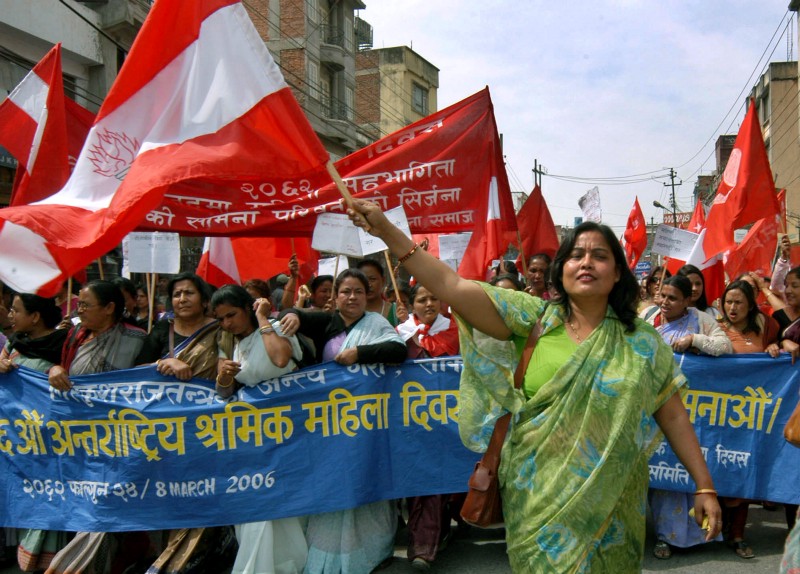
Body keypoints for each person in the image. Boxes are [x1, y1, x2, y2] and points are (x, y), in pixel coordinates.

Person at [347, 200, 721, 573]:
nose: (587, 262)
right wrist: (386, 231)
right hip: (536, 497)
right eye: (576, 255)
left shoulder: (642, 341)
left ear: (618, 273)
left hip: (613, 504)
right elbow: (451, 285)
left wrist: (704, 485)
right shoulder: (535, 320)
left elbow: (672, 416)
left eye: (600, 256)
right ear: (562, 270)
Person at [279, 269, 406, 573]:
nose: (352, 297)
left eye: (358, 292)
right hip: (327, 423)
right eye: (346, 291)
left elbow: (398, 350)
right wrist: (294, 314)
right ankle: (325, 551)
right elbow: (289, 313)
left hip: (364, 421)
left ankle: (369, 549)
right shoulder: (326, 322)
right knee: (332, 482)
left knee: (363, 478)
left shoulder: (376, 323)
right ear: (335, 297)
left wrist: (359, 353)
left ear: (367, 296)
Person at [45, 280, 149, 574]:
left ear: (109, 308)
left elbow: (148, 387)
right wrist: (55, 370)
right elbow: (55, 367)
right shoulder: (75, 335)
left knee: (105, 506)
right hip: (78, 440)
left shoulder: (138, 339)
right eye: (79, 305)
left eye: (85, 305)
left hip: (120, 440)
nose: (80, 310)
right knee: (84, 504)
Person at [211, 284, 306, 574]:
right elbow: (224, 392)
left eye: (232, 315)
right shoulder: (228, 343)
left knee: (284, 502)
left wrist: (264, 319)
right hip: (255, 437)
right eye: (221, 318)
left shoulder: (277, 327)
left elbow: (280, 359)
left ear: (248, 308)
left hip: (292, 429)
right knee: (256, 501)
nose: (228, 323)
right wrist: (224, 378)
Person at [640, 274, 731, 560]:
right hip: (653, 406)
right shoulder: (649, 316)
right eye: (662, 296)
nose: (665, 303)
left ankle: (690, 534)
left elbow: (725, 346)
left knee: (683, 468)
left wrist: (694, 339)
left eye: (673, 299)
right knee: (659, 468)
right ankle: (664, 534)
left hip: (691, 409)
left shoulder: (701, 320)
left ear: (687, 300)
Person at [0, 294, 68, 572]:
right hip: (17, 445)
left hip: (51, 447)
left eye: (16, 310)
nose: (11, 315)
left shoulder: (65, 346)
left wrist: (56, 369)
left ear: (35, 316)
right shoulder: (14, 344)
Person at [396, 284, 462, 569]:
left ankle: (436, 536)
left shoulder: (457, 331)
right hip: (413, 421)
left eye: (434, 297)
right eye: (421, 299)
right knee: (422, 481)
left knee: (448, 480)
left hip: (450, 419)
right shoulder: (399, 333)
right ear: (412, 305)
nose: (428, 303)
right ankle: (423, 543)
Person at [716, 280, 780, 559]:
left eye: (739, 302)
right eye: (728, 301)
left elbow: (777, 348)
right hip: (717, 413)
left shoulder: (765, 326)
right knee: (718, 467)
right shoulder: (713, 327)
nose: (732, 307)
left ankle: (738, 534)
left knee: (744, 468)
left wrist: (776, 349)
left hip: (751, 415)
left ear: (750, 304)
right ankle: (714, 529)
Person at [137, 273, 220, 380]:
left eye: (189, 293)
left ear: (204, 301)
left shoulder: (218, 329)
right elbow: (138, 369)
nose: (182, 299)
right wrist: (164, 363)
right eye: (177, 295)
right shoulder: (163, 328)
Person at [355, 259, 402, 326]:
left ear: (383, 280)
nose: (369, 285)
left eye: (372, 279)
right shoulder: (351, 312)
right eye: (364, 279)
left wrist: (404, 321)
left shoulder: (396, 311)